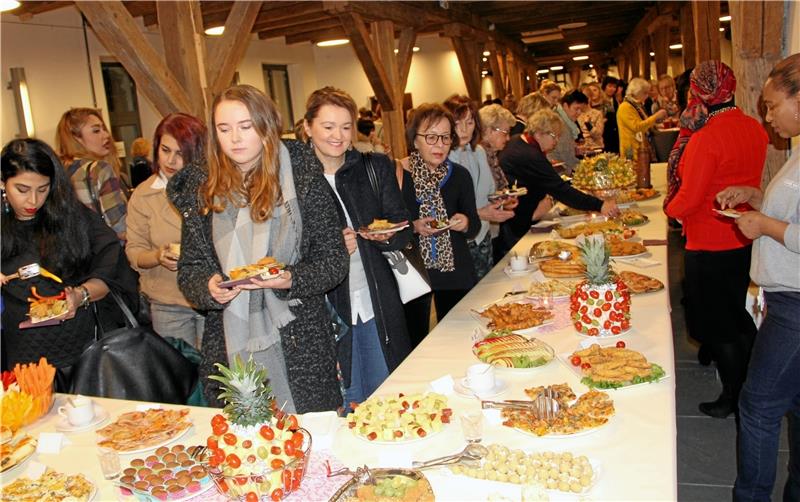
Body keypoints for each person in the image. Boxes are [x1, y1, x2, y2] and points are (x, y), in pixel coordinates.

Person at [167, 85, 348, 413]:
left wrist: (289, 278)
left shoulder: (302, 177)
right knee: (247, 445)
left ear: (266, 126)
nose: (234, 138)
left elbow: (334, 261)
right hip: (228, 342)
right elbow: (190, 268)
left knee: (310, 440)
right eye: (224, 129)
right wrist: (207, 289)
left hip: (300, 338)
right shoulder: (202, 189)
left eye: (245, 127)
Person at [664, 61, 768, 419]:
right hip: (742, 235)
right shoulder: (754, 128)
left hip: (708, 242)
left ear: (697, 93)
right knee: (737, 317)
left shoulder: (705, 138)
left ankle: (735, 397)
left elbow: (689, 199)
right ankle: (753, 385)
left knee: (718, 326)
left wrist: (669, 208)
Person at [719, 53, 800, 501]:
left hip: (795, 305)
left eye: (772, 105)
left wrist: (764, 226)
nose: (767, 117)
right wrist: (757, 198)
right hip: (787, 295)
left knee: (758, 408)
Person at [303, 86, 412, 405]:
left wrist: (388, 235)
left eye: (346, 126)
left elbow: (403, 226)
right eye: (328, 126)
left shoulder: (374, 167)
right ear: (308, 127)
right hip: (329, 311)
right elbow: (286, 251)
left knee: (385, 396)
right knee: (344, 401)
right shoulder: (294, 181)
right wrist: (332, 248)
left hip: (378, 300)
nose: (338, 136)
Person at [1, 139, 138, 391]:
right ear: (2, 183)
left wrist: (82, 295)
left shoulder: (74, 217)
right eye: (22, 189)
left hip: (85, 350)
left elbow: (111, 269)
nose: (33, 199)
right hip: (25, 356)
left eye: (43, 189)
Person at [125, 114, 206, 349]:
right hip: (166, 303)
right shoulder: (143, 195)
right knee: (179, 377)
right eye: (165, 150)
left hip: (212, 298)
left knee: (218, 378)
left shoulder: (213, 190)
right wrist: (158, 256)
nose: (171, 160)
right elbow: (134, 251)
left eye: (181, 153)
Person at [497, 109, 619, 256]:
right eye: (554, 136)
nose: (556, 142)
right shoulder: (530, 155)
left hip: (518, 215)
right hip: (517, 222)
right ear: (539, 133)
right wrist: (600, 205)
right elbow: (561, 191)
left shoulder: (519, 140)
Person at [401, 103, 480, 328]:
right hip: (414, 274)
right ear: (415, 140)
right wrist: (414, 227)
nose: (440, 145)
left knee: (458, 337)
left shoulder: (460, 176)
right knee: (415, 344)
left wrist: (465, 223)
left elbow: (473, 225)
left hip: (455, 271)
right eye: (431, 137)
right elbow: (389, 225)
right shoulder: (397, 174)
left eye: (445, 137)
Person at [444, 95, 514, 281]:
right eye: (457, 123)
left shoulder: (479, 151)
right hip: (457, 240)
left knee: (484, 290)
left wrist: (501, 200)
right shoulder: (442, 158)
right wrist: (480, 213)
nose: (464, 130)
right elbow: (444, 208)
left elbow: (487, 190)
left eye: (469, 122)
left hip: (482, 236)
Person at [56, 108, 129, 241]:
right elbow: (120, 226)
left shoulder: (57, 172)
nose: (106, 135)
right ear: (76, 137)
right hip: (107, 253)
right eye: (96, 131)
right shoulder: (100, 170)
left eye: (103, 128)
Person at [617, 78, 668, 161]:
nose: (647, 96)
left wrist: (656, 126)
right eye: (644, 93)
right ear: (636, 92)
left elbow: (644, 123)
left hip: (641, 149)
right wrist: (656, 117)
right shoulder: (625, 107)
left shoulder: (637, 105)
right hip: (632, 152)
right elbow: (637, 127)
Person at [549, 90, 589, 174]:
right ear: (565, 105)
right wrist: (589, 168)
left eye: (581, 110)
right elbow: (567, 157)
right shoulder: (560, 124)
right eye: (576, 109)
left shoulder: (563, 120)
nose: (579, 113)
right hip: (559, 172)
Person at [578, 82, 605, 151]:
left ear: (590, 98)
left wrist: (588, 125)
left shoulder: (597, 113)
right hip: (582, 150)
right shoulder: (576, 114)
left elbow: (598, 134)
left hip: (596, 148)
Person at [601, 76, 620, 153]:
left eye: (614, 87)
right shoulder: (600, 100)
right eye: (610, 86)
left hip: (615, 133)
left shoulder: (615, 100)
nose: (612, 89)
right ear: (604, 86)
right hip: (604, 132)